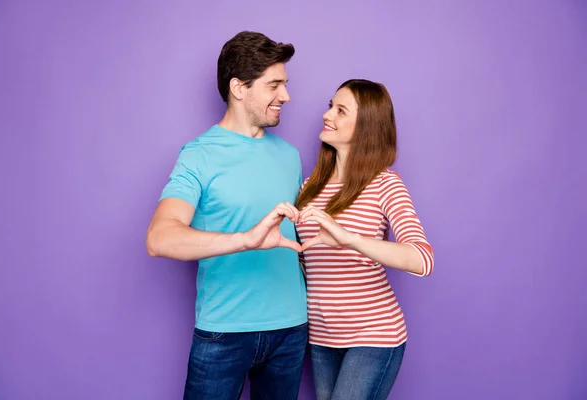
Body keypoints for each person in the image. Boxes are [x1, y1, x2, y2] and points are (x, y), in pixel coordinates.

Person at [145, 31, 308, 400]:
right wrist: (245, 240)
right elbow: (159, 237)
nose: (286, 96)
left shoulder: (290, 156)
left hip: (292, 329)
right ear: (239, 87)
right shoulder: (198, 155)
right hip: (224, 333)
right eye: (274, 85)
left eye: (285, 84)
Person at [294, 79, 435, 399]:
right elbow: (307, 262)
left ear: (366, 128)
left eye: (341, 111)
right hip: (321, 338)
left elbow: (422, 259)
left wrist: (348, 238)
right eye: (330, 106)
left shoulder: (385, 184)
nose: (328, 115)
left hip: (373, 336)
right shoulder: (308, 189)